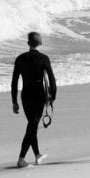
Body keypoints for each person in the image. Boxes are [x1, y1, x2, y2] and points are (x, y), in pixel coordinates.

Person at [11, 31, 57, 168]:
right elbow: (52, 80)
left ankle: (37, 155)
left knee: (32, 124)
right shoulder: (44, 58)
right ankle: (21, 159)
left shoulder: (20, 59)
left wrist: (14, 101)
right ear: (40, 43)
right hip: (39, 95)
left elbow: (14, 82)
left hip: (25, 95)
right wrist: (52, 97)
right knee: (32, 126)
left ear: (28, 43)